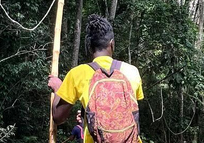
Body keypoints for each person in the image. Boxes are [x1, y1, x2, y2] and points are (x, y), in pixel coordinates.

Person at [48, 14, 144, 143]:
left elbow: (58, 117)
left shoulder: (77, 74)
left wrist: (58, 88)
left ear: (89, 47)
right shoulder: (132, 71)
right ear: (112, 44)